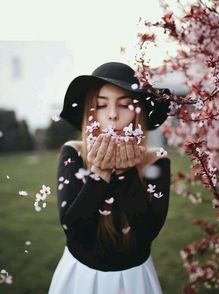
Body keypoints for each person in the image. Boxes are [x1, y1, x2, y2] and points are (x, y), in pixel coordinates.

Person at [48, 61, 171, 294]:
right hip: (81, 276)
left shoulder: (155, 161)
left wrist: (126, 174)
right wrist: (100, 173)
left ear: (138, 113)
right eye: (102, 106)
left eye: (124, 105)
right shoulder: (74, 153)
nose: (113, 115)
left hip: (134, 278)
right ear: (90, 113)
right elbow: (76, 231)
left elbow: (147, 232)